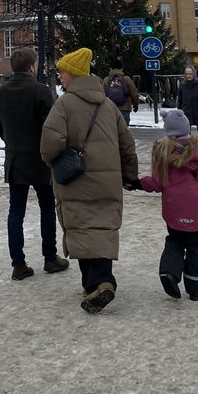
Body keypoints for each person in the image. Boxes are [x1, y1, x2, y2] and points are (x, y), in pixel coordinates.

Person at [39, 47, 139, 314]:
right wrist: (130, 176)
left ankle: (99, 282)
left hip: (77, 180)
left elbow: (49, 146)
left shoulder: (64, 105)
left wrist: (55, 159)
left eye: (61, 71)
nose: (59, 76)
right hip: (108, 181)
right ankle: (96, 284)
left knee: (82, 229)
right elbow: (126, 144)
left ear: (73, 74)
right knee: (102, 230)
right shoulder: (108, 105)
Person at [0, 47, 69, 280]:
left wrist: (10, 138)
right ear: (32, 66)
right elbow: (52, 126)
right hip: (41, 160)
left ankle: (18, 264)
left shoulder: (1, 92)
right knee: (46, 208)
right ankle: (50, 257)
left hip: (15, 160)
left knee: (16, 211)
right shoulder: (41, 91)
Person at [138, 109, 198, 302]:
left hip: (173, 209)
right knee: (197, 248)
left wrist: (137, 183)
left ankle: (169, 273)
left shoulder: (162, 153)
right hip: (197, 211)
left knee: (175, 241)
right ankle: (196, 289)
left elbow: (156, 183)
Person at [177, 66, 198, 149]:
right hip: (187, 111)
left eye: (190, 74)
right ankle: (189, 149)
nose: (189, 76)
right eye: (187, 74)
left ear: (194, 74)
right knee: (187, 132)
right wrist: (179, 111)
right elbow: (180, 99)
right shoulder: (182, 85)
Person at [102, 58, 139, 125]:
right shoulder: (126, 79)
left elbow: (102, 95)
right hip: (124, 108)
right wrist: (136, 104)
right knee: (124, 132)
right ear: (121, 68)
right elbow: (134, 93)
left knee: (112, 131)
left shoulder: (106, 80)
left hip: (110, 109)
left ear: (110, 68)